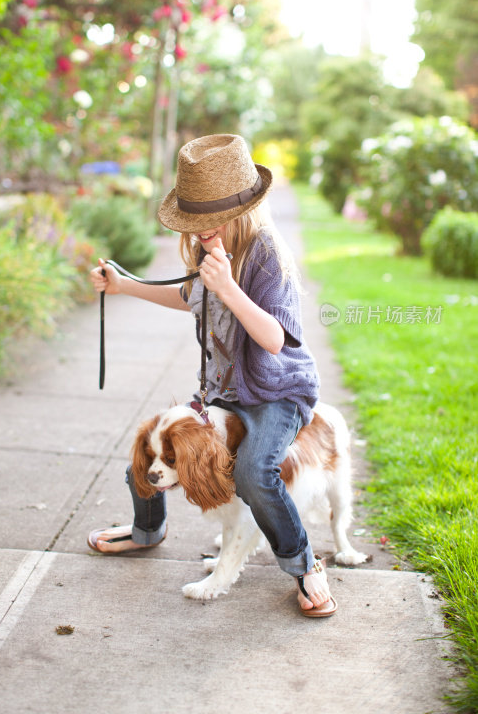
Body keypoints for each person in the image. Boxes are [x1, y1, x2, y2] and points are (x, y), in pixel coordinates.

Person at [87, 133, 337, 617]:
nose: (201, 231)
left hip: (276, 394)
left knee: (253, 472)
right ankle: (147, 530)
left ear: (241, 211)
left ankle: (305, 565)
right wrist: (125, 286)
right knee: (151, 449)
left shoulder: (268, 255)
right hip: (225, 391)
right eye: (193, 222)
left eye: (209, 221)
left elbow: (275, 339)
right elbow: (188, 297)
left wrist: (228, 287)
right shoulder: (207, 251)